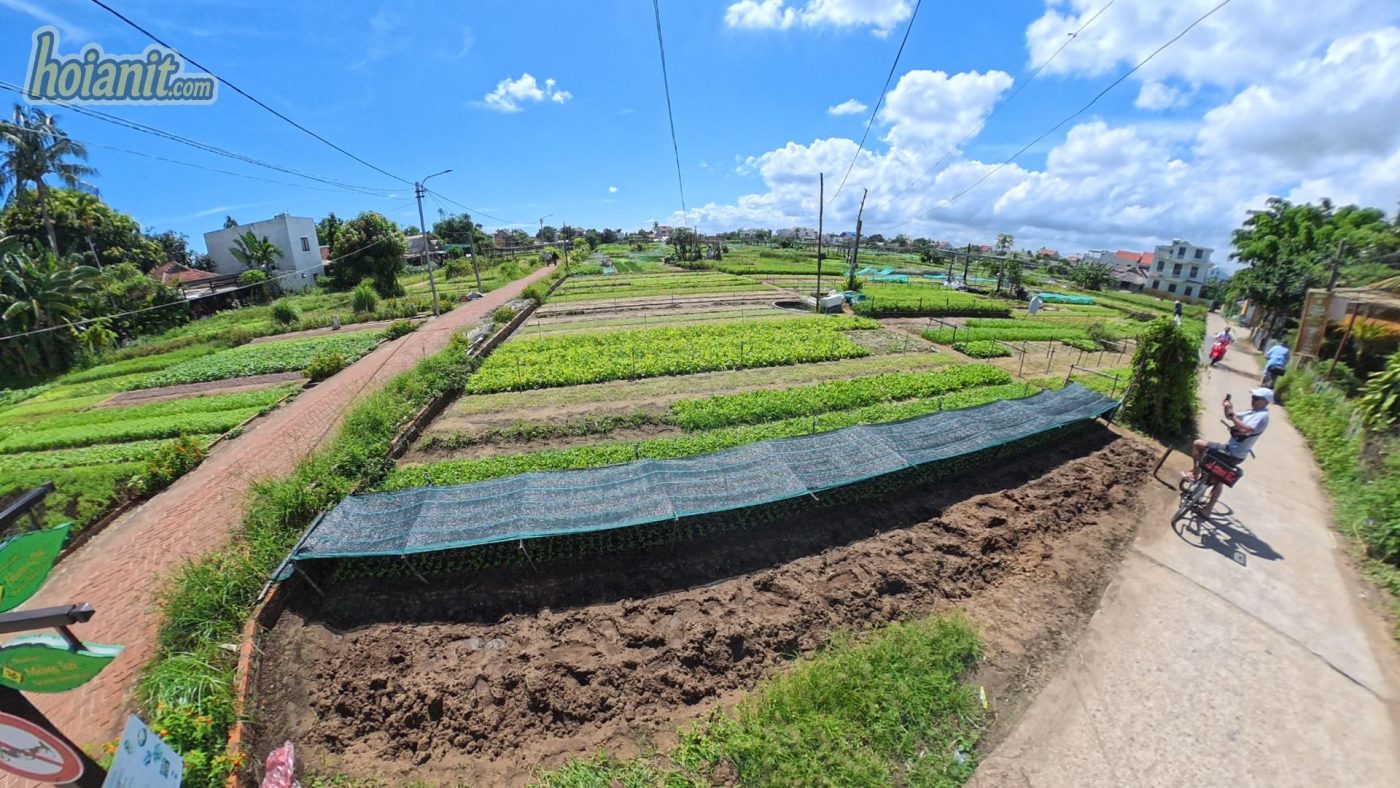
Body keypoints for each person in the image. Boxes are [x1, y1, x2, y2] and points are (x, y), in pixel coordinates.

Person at [1185, 388, 1272, 517]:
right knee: (1217, 479)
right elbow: (1230, 416)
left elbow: (1246, 429)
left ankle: (1195, 473)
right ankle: (1208, 509)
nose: (1253, 400)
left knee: (1198, 444)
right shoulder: (1252, 412)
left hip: (1231, 452)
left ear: (1266, 402)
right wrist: (1227, 407)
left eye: (1256, 398)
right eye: (1253, 397)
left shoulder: (1262, 416)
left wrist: (1233, 415)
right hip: (1233, 452)